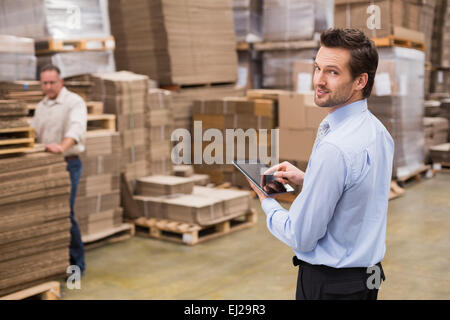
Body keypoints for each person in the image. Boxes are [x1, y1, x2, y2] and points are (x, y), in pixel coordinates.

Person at [247, 28, 394, 300]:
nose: (319, 80)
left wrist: (266, 200)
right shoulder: (378, 131)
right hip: (368, 280)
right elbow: (361, 191)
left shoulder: (335, 149)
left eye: (333, 72)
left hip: (332, 286)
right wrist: (309, 178)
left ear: (361, 80)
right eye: (317, 68)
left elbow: (302, 236)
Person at [31, 64, 87, 274]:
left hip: (68, 163)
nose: (48, 87)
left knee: (65, 213)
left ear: (61, 82)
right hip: (46, 165)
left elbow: (77, 128)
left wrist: (61, 147)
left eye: (52, 82)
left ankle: (77, 265)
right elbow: (34, 134)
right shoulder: (41, 107)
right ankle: (52, 262)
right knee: (47, 212)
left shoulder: (74, 102)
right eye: (44, 83)